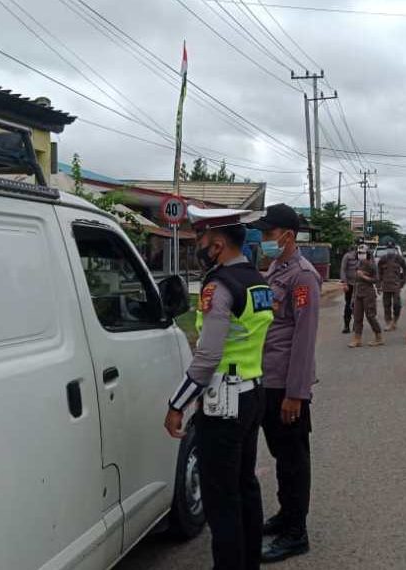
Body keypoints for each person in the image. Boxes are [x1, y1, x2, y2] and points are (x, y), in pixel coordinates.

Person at [164, 206, 274, 570]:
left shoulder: (219, 286)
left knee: (220, 498)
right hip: (253, 392)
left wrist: (177, 404)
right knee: (244, 486)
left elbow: (207, 356)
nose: (199, 245)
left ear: (219, 243)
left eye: (202, 239)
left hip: (225, 401)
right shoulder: (257, 280)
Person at [249, 204, 320, 563]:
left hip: (286, 385)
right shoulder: (277, 268)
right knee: (280, 455)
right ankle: (285, 514)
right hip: (268, 377)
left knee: (293, 458)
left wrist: (296, 393)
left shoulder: (303, 276)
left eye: (267, 234)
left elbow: (304, 339)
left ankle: (296, 533)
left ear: (287, 236)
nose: (263, 240)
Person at [349, 245, 384, 348]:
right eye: (359, 253)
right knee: (357, 316)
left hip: (368, 292)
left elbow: (376, 280)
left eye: (363, 253)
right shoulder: (357, 265)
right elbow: (355, 282)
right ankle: (357, 339)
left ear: (368, 254)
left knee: (370, 316)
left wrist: (364, 276)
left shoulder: (372, 265)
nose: (360, 255)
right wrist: (353, 297)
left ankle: (379, 337)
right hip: (358, 293)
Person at [376, 237, 406, 331]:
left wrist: (403, 281)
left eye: (391, 248)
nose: (390, 250)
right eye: (388, 248)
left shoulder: (399, 258)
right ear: (386, 249)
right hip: (385, 285)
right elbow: (378, 272)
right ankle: (388, 322)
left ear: (394, 249)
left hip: (396, 285)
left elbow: (405, 268)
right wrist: (378, 285)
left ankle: (395, 320)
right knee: (386, 304)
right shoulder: (383, 259)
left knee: (396, 304)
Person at [338, 239, 362, 334]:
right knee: (348, 304)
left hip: (360, 284)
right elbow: (343, 269)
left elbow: (371, 267)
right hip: (350, 284)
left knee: (358, 305)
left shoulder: (365, 256)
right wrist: (344, 283)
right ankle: (346, 325)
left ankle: (356, 325)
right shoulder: (347, 256)